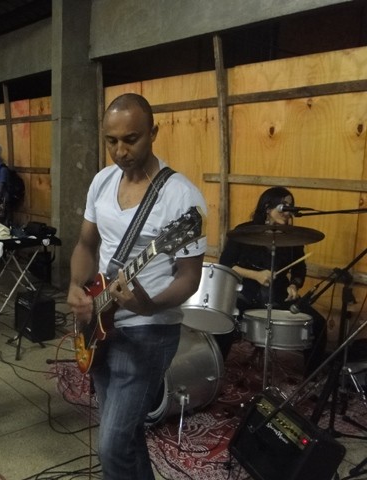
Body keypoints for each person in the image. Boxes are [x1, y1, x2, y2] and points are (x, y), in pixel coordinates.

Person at [67, 93, 206, 480]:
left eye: (131, 139)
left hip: (149, 330)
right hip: (100, 320)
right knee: (125, 437)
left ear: (153, 133)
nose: (120, 151)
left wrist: (148, 305)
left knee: (112, 446)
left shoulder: (181, 197)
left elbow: (190, 277)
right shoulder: (102, 180)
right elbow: (86, 244)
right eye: (111, 141)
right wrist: (76, 286)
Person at [216, 186, 327, 376]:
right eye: (283, 206)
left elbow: (299, 269)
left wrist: (294, 285)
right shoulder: (244, 231)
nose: (288, 212)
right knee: (223, 320)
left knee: (318, 323)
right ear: (267, 208)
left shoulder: (293, 237)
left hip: (279, 296)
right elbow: (226, 263)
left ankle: (312, 377)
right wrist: (256, 275)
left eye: (291, 207)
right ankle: (216, 371)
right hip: (245, 294)